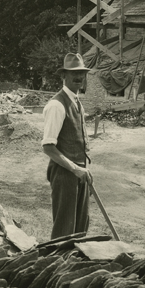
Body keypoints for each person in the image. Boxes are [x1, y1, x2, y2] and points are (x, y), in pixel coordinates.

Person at [41, 52, 93, 239]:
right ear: (64, 76)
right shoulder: (57, 105)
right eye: (73, 73)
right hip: (64, 172)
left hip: (80, 171)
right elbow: (48, 147)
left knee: (80, 225)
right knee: (65, 228)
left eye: (82, 73)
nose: (79, 77)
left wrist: (82, 170)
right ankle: (55, 265)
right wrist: (74, 169)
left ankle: (74, 264)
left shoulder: (77, 102)